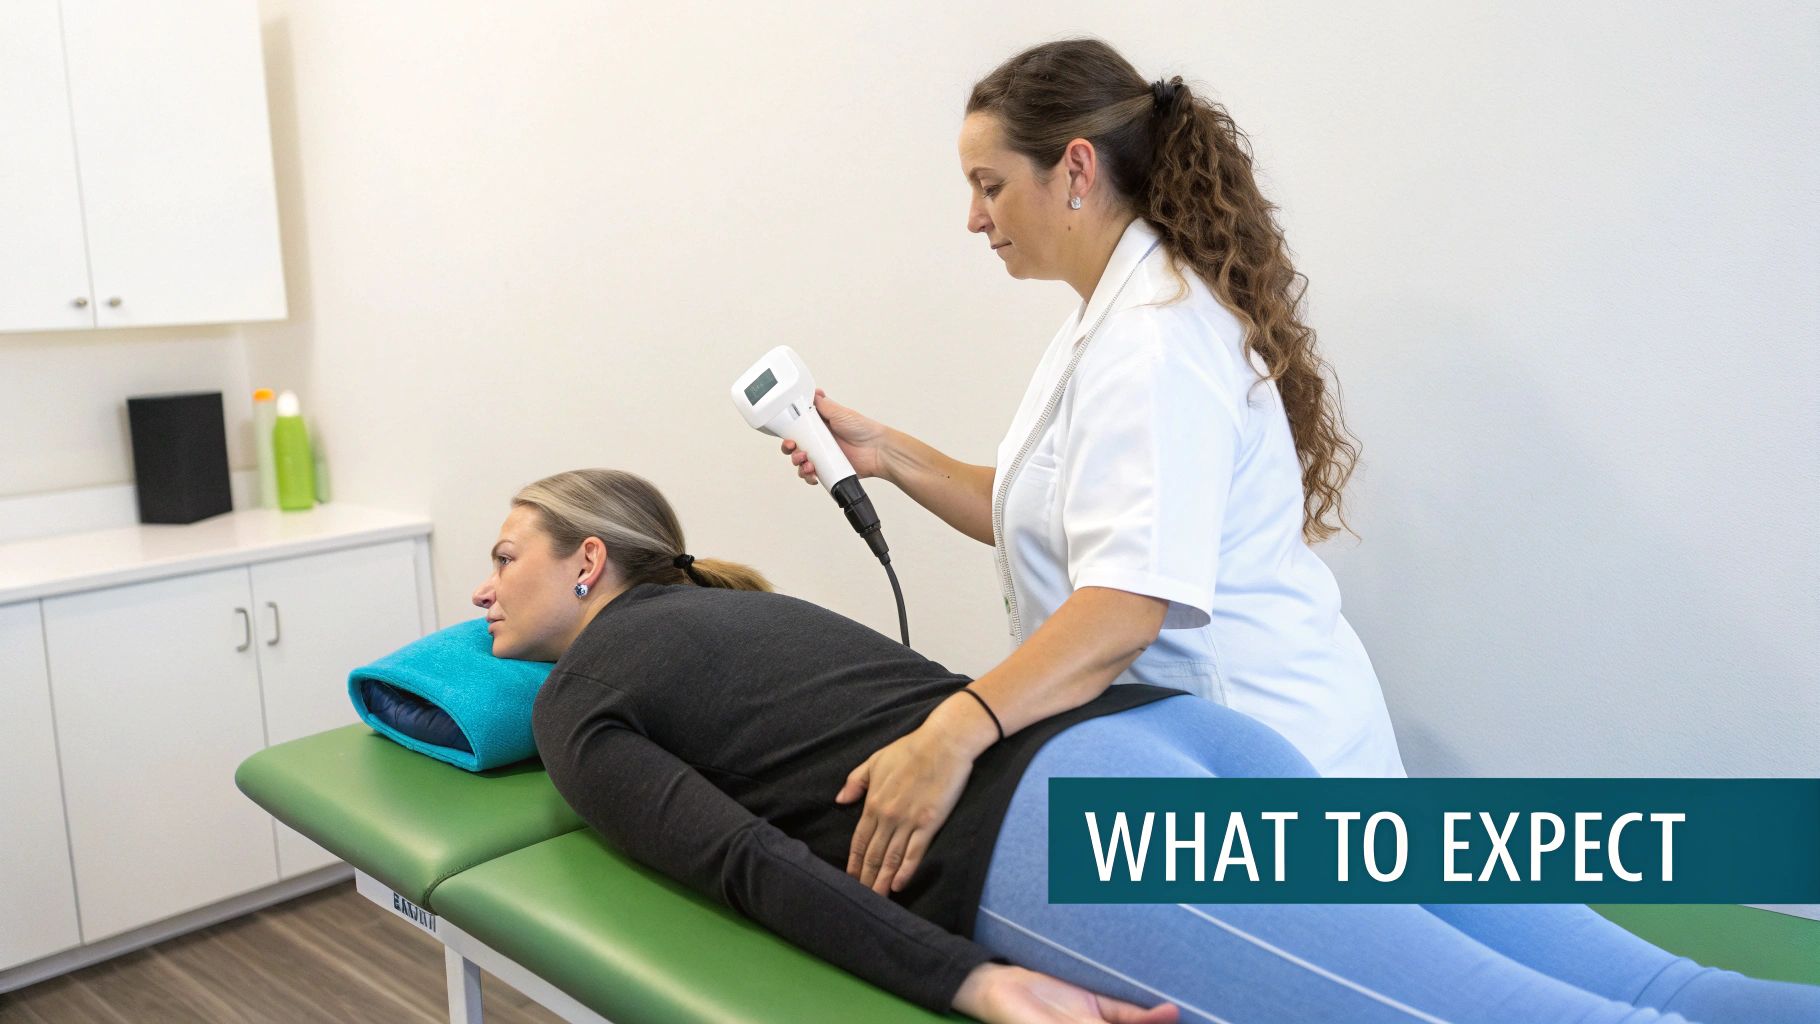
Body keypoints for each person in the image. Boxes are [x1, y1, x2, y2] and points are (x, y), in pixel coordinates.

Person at [472, 467, 1820, 1024]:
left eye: (502, 560)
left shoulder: (577, 702)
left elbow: (742, 864)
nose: (482, 594)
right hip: (1176, 735)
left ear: (592, 564)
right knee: (1656, 985)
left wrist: (966, 985)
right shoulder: (743, 615)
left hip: (1077, 834)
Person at [779, 38, 1403, 901]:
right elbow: (1052, 511)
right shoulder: (1112, 317)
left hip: (1275, 762)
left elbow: (1124, 607)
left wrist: (956, 729)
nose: (973, 217)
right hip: (1196, 756)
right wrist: (884, 453)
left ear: (1074, 168)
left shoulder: (1154, 342)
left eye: (988, 185)